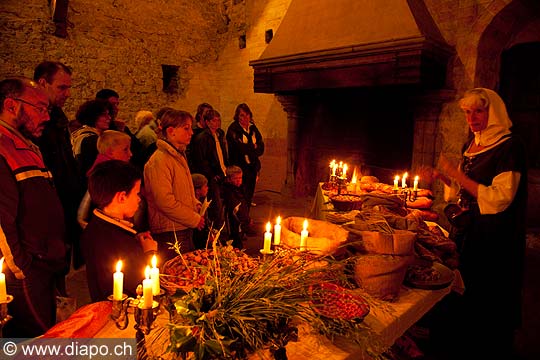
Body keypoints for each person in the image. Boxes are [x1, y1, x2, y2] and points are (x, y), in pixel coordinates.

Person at [427, 88, 527, 358]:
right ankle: (462, 337)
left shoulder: (510, 146)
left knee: (488, 288)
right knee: (464, 281)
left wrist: (457, 174)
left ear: (492, 111)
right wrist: (446, 180)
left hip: (495, 233)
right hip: (469, 227)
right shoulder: (470, 145)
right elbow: (465, 189)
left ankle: (487, 345)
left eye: (478, 111)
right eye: (468, 112)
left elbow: (500, 198)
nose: (472, 118)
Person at [0, 77, 67, 337]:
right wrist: (22, 268)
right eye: (40, 108)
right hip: (27, 271)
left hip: (45, 261)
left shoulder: (28, 146)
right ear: (11, 105)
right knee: (40, 342)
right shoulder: (3, 147)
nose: (47, 116)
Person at [81, 160, 157, 302]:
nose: (139, 199)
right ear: (122, 197)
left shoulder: (96, 227)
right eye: (136, 193)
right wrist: (149, 252)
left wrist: (136, 240)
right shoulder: (115, 240)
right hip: (122, 313)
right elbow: (138, 286)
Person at [34, 61, 85, 273]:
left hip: (65, 204)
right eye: (62, 87)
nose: (68, 93)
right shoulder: (36, 123)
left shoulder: (57, 118)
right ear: (42, 83)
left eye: (69, 87)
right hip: (47, 210)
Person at [144, 109, 205, 262]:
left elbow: (183, 190)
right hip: (170, 230)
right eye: (186, 128)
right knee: (177, 274)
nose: (191, 132)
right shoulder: (160, 160)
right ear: (171, 131)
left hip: (180, 225)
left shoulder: (176, 156)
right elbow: (164, 201)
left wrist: (195, 204)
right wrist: (193, 218)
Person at [77, 130, 132, 229]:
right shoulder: (103, 176)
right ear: (110, 152)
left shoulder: (108, 172)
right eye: (125, 149)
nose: (130, 154)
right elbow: (83, 213)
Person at [190, 109, 227, 228]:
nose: (217, 123)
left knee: (222, 203)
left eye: (218, 120)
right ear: (207, 122)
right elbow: (201, 159)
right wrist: (212, 174)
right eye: (214, 120)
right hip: (210, 177)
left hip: (221, 173)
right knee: (214, 205)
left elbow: (221, 154)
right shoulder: (202, 138)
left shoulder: (218, 135)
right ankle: (213, 230)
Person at [226, 103, 264, 209]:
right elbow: (240, 148)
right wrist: (253, 146)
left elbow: (261, 146)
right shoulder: (233, 129)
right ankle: (241, 210)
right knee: (241, 189)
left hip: (252, 164)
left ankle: (247, 206)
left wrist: (252, 148)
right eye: (242, 115)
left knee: (250, 187)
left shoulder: (252, 128)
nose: (245, 118)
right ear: (237, 116)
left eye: (247, 115)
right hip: (239, 164)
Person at [96, 89, 146, 169]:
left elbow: (137, 149)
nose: (116, 109)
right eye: (113, 105)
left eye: (117, 104)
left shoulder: (118, 126)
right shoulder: (96, 134)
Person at [71, 99, 112, 189]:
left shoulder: (79, 134)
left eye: (108, 114)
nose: (109, 118)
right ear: (93, 117)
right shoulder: (92, 140)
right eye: (104, 115)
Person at [222, 165, 255, 249]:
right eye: (236, 179)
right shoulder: (230, 192)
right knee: (235, 243)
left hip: (240, 223)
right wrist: (247, 221)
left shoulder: (239, 188)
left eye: (240, 178)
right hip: (234, 223)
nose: (239, 181)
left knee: (238, 240)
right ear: (229, 179)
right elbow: (237, 209)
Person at [191, 173, 211, 250]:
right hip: (198, 243)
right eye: (205, 186)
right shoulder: (195, 206)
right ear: (197, 190)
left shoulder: (201, 201)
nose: (207, 188)